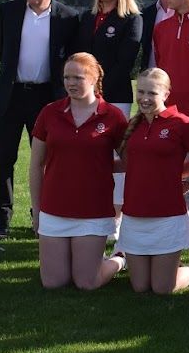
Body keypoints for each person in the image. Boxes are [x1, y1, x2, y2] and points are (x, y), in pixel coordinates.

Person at [0, 0, 79, 236]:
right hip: (11, 95)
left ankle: (42, 216)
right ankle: (2, 219)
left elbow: (72, 58)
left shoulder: (68, 18)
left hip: (48, 99)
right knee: (3, 158)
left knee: (48, 161)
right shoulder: (9, 11)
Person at [28, 53, 129, 290]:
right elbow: (36, 164)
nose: (71, 83)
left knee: (86, 283)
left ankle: (120, 259)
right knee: (53, 283)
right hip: (54, 207)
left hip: (93, 210)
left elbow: (130, 161)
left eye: (78, 77)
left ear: (94, 78)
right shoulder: (49, 113)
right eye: (66, 77)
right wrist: (37, 209)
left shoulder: (113, 116)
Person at [117, 68, 189, 294]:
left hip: (168, 215)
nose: (144, 98)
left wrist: (176, 175)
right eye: (141, 91)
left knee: (162, 289)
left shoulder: (181, 123)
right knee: (141, 287)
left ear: (166, 93)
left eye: (152, 93)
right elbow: (129, 164)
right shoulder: (133, 125)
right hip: (135, 213)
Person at [74, 0, 143, 233]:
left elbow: (124, 62)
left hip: (114, 97)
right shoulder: (87, 18)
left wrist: (97, 90)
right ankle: (87, 208)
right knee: (86, 153)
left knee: (117, 155)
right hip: (84, 97)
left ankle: (116, 217)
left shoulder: (132, 19)